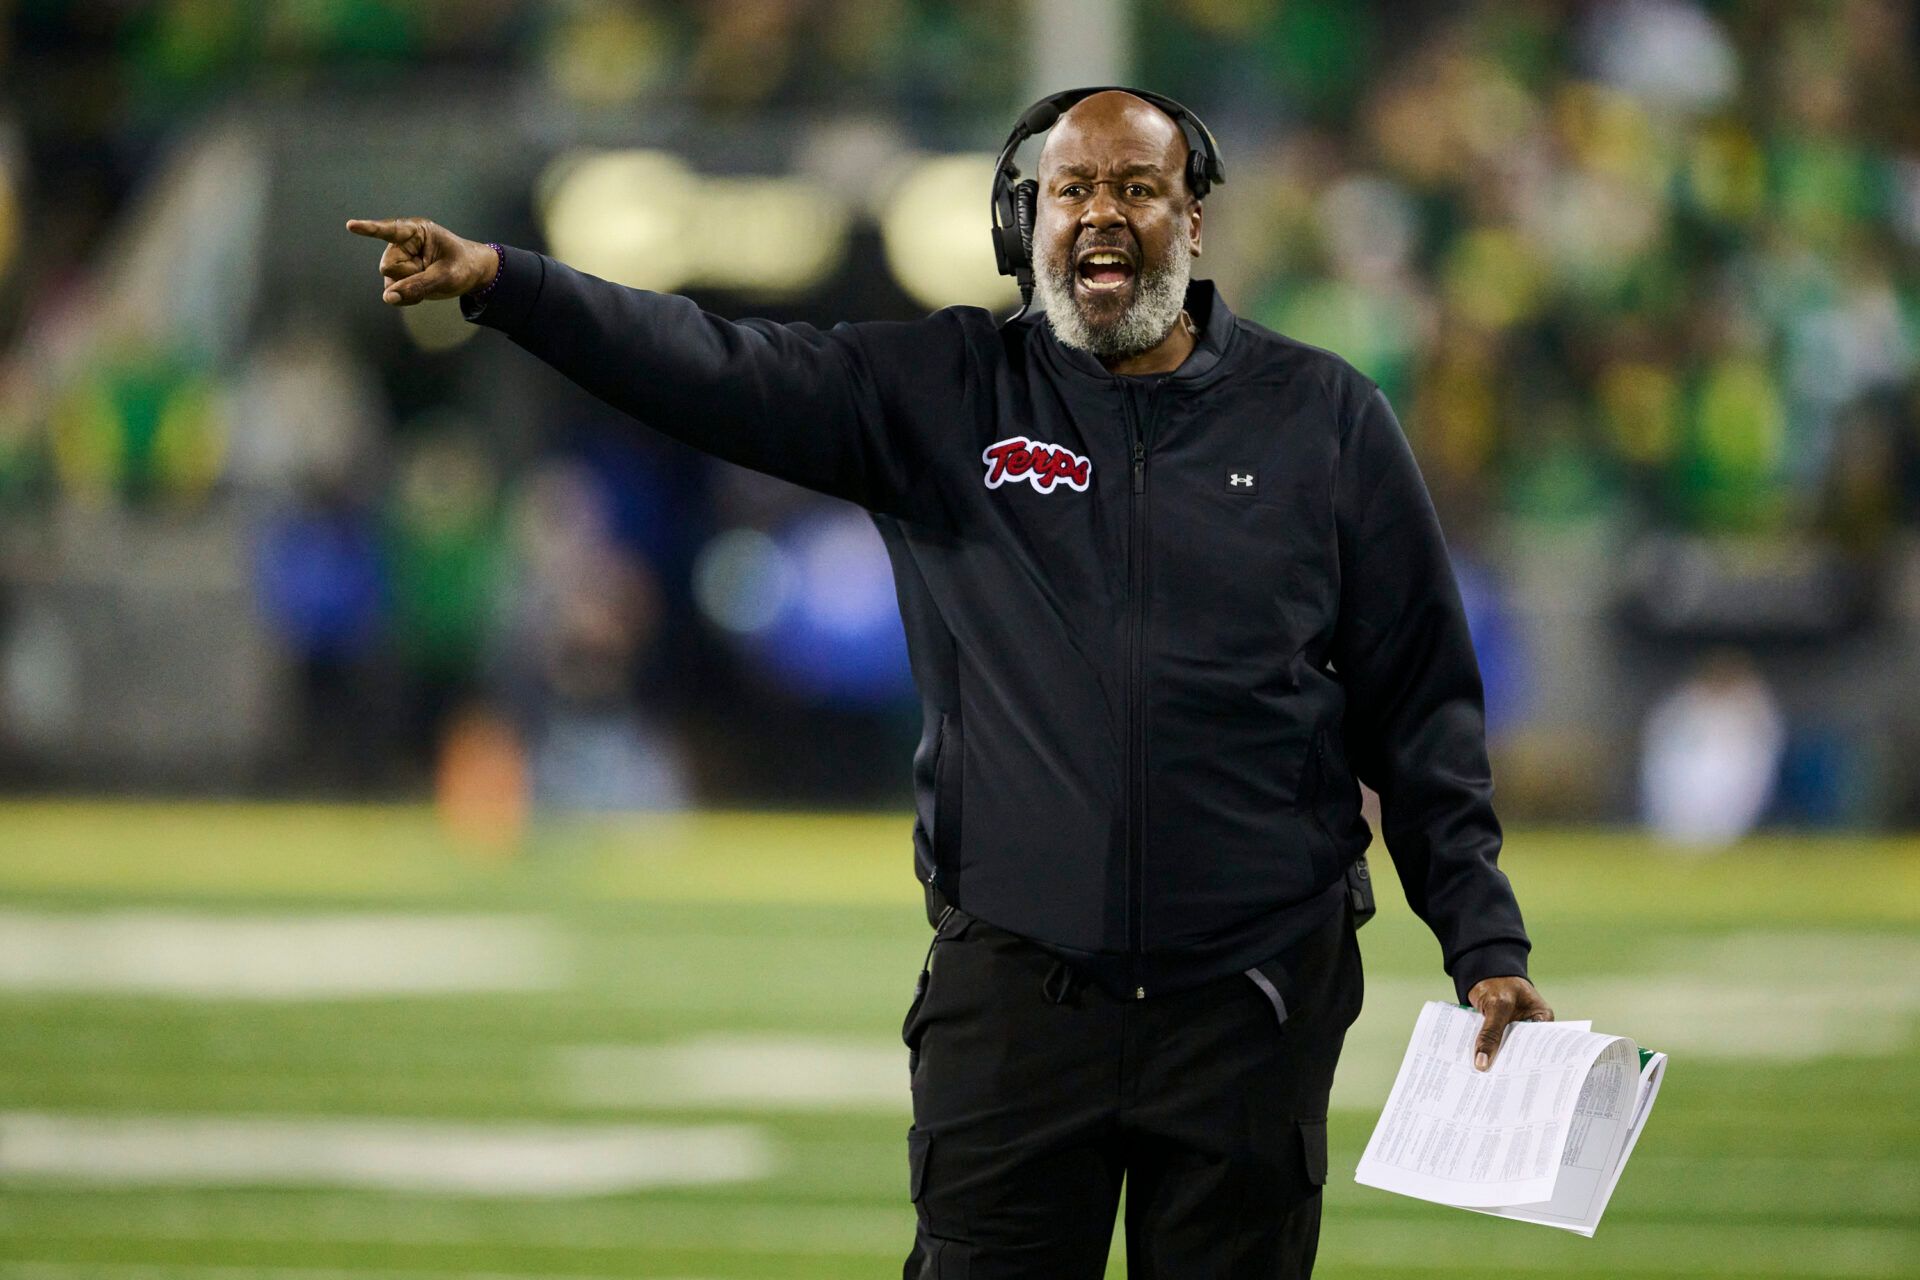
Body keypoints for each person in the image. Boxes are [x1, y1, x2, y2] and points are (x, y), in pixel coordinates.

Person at [349, 86, 1551, 1280]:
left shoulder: (1325, 416)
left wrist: (1483, 938)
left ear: (1195, 220)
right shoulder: (948, 389)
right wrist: (508, 284)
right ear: (1027, 223)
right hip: (1019, 992)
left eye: (1137, 186)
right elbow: (711, 365)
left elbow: (1421, 706)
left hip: (1252, 999)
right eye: (1073, 189)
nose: (1102, 212)